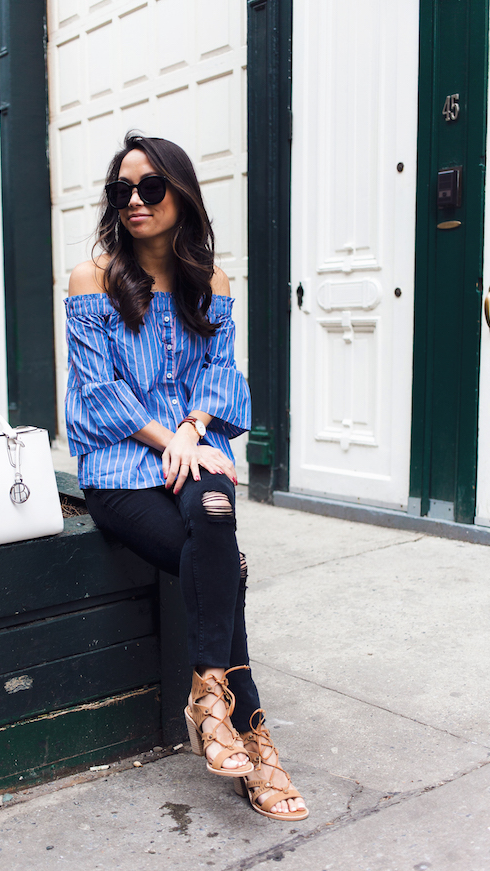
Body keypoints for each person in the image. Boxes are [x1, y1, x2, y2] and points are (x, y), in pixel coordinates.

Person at [65, 132, 308, 822]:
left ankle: (209, 699)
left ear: (181, 193)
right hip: (120, 466)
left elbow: (219, 377)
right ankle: (258, 747)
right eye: (122, 191)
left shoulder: (213, 283)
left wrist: (195, 432)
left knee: (214, 516)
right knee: (219, 565)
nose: (135, 201)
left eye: (150, 187)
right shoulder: (93, 279)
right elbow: (93, 389)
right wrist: (168, 437)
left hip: (193, 453)